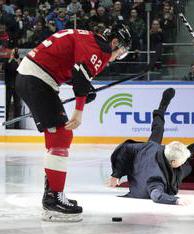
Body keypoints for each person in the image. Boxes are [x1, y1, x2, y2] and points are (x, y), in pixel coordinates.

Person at [15, 23, 132, 222]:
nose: (116, 58)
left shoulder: (88, 38)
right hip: (37, 79)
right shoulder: (101, 49)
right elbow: (80, 73)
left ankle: (52, 194)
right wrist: (79, 111)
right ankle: (54, 199)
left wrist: (86, 89)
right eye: (120, 53)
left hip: (33, 77)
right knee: (61, 136)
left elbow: (70, 68)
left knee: (57, 137)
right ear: (114, 42)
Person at [107, 88, 194, 205]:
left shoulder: (151, 147)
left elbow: (124, 149)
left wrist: (116, 174)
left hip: (147, 154)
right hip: (145, 177)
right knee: (186, 168)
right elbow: (157, 196)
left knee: (158, 130)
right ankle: (188, 152)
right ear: (174, 163)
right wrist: (176, 200)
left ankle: (162, 107)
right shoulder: (156, 179)